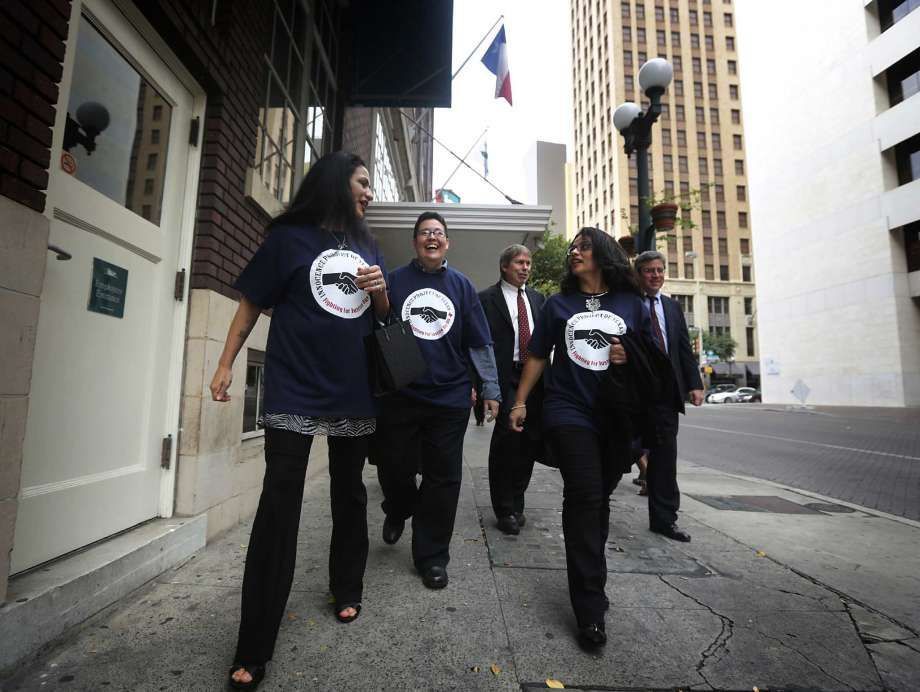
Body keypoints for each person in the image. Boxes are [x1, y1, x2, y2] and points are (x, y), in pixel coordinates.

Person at [209, 152, 388, 690]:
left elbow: (381, 318)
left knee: (348, 492)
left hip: (353, 389)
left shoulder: (368, 245)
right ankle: (254, 644)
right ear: (337, 184)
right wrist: (224, 364)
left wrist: (381, 294)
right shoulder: (287, 240)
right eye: (362, 183)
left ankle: (347, 586)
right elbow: (249, 305)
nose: (369, 194)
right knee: (278, 505)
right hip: (294, 385)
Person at [509, 227, 651, 649]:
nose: (575, 252)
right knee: (585, 494)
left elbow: (649, 357)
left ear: (603, 254)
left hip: (615, 415)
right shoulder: (559, 304)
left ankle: (591, 567)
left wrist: (628, 355)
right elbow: (536, 355)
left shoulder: (631, 302)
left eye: (583, 247)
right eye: (573, 247)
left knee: (597, 498)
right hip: (567, 410)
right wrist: (520, 403)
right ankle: (590, 606)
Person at [375, 211, 501, 590]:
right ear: (416, 242)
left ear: (447, 243)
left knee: (443, 478)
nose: (432, 237)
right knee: (394, 467)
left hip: (449, 397)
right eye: (425, 232)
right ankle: (399, 507)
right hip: (401, 394)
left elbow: (479, 341)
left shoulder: (462, 286)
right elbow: (377, 329)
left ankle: (432, 556)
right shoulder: (394, 281)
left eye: (439, 233)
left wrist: (491, 389)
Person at [634, 250, 704, 542]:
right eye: (649, 270)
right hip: (633, 393)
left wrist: (694, 383)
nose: (656, 275)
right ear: (639, 274)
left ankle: (664, 519)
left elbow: (683, 350)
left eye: (660, 270)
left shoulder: (673, 308)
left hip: (666, 394)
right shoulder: (628, 304)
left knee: (664, 459)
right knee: (618, 452)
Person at [478, 244, 546, 534]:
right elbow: (479, 344)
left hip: (535, 379)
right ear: (505, 266)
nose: (525, 268)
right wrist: (482, 387)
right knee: (507, 439)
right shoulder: (486, 299)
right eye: (519, 262)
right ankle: (503, 508)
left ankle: (517, 501)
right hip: (505, 377)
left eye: (528, 263)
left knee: (529, 441)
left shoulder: (539, 299)